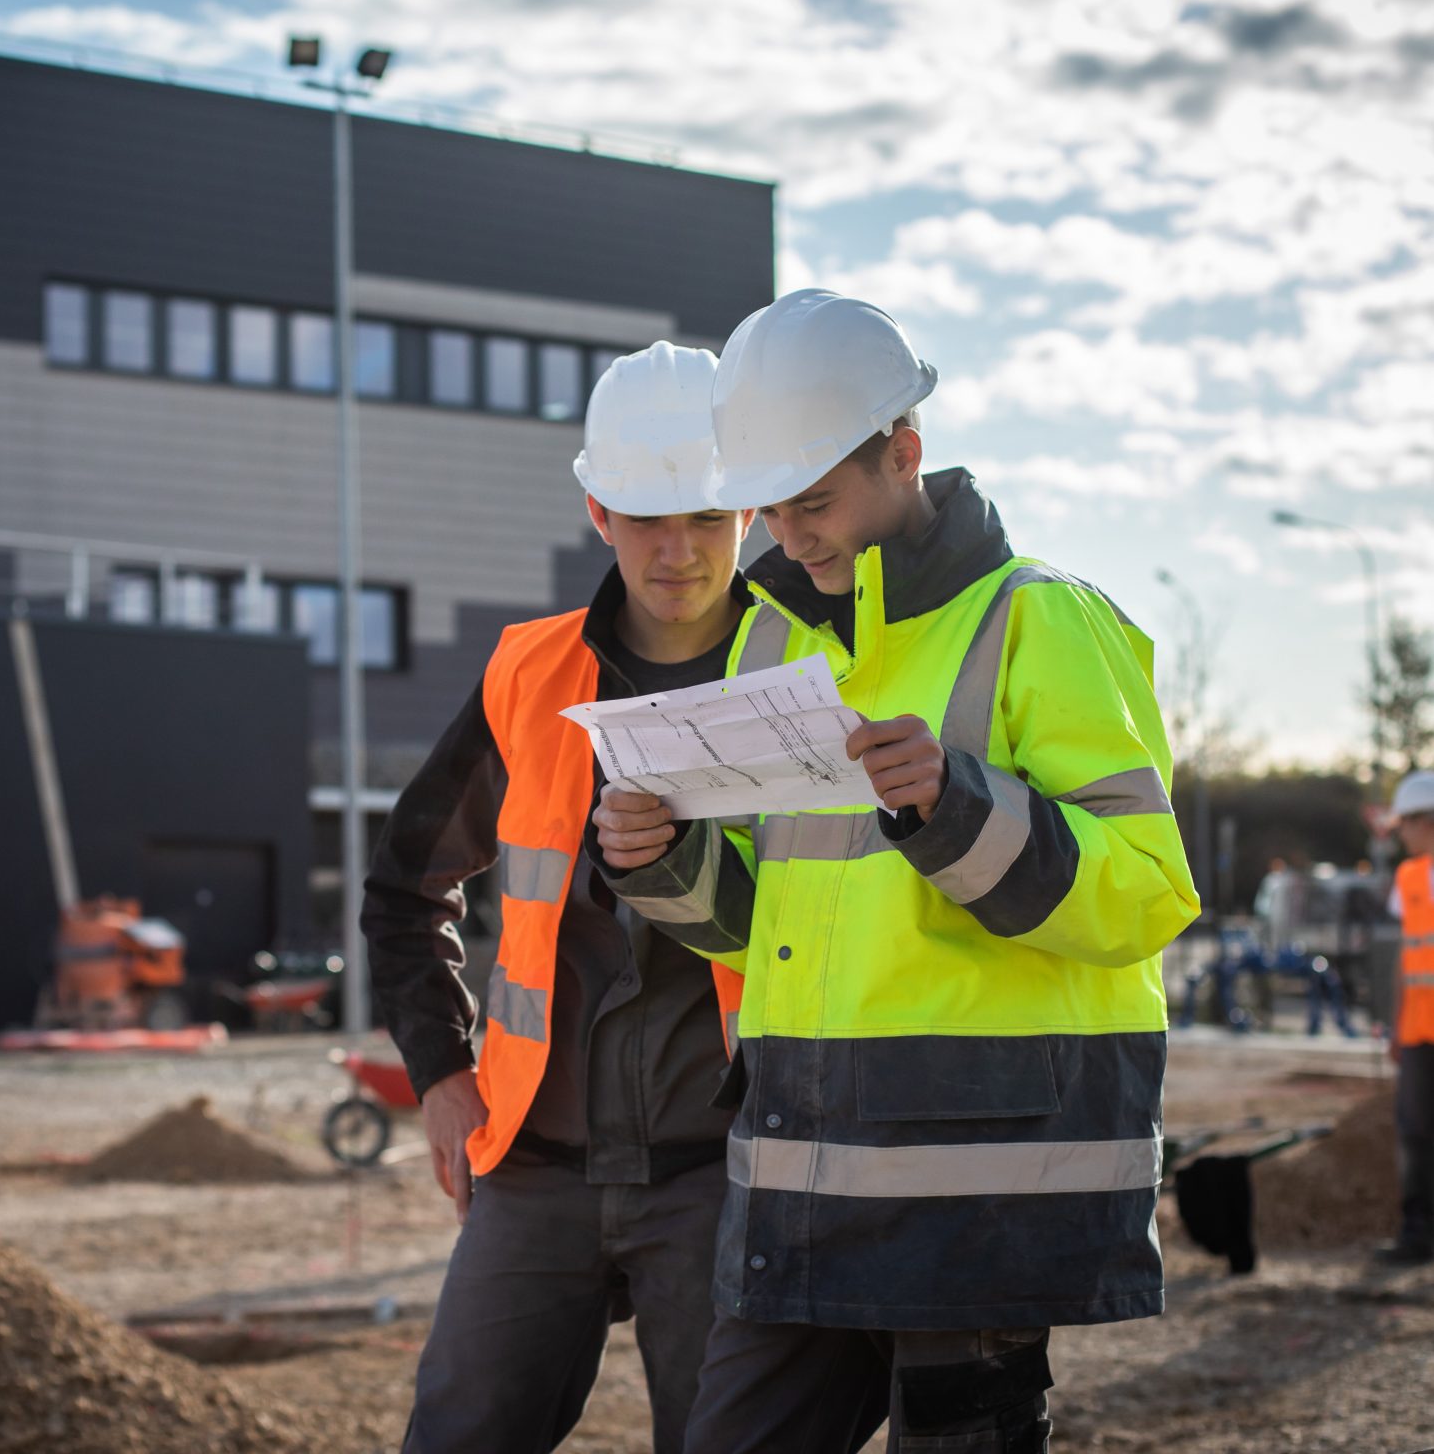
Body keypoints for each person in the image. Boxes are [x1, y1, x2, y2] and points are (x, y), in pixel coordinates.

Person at [592, 289, 1199, 1453]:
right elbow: (769, 926)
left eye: (812, 501)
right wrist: (664, 860)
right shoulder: (776, 638)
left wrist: (954, 805)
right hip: (798, 1178)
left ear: (904, 454)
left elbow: (1145, 890)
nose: (788, 533)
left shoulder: (1041, 620)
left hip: (978, 1195)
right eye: (768, 506)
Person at [362, 341, 753, 1454]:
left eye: (710, 520)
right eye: (647, 520)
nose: (679, 552)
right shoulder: (528, 679)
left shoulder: (804, 678)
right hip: (535, 1169)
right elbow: (403, 889)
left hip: (724, 1175)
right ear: (598, 512)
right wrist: (440, 1075)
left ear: (752, 517)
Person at [1375, 768, 1434, 1265]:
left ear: (1424, 820)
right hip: (1417, 1031)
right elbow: (1405, 957)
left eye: (1406, 826)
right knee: (1415, 1132)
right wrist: (1396, 1023)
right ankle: (1418, 1235)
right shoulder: (1409, 877)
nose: (1402, 836)